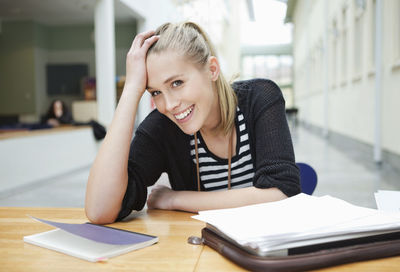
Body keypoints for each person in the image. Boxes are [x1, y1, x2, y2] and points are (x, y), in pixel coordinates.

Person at [85, 22, 300, 224]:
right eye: (156, 92)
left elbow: (281, 195)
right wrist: (131, 89)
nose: (169, 105)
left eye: (177, 83)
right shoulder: (162, 126)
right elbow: (99, 210)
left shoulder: (260, 98)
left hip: (264, 254)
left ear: (212, 70)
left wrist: (175, 199)